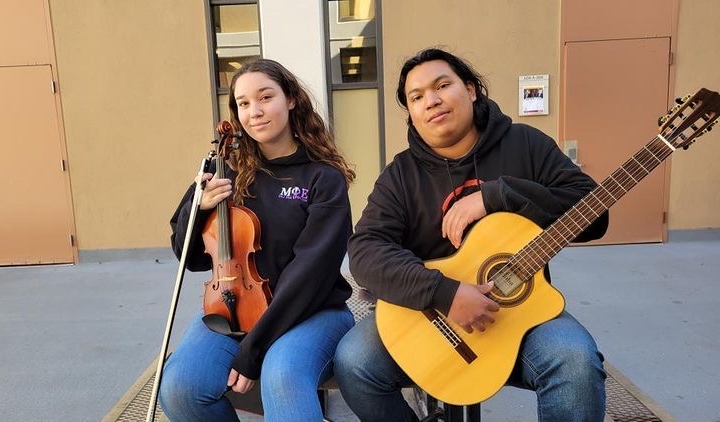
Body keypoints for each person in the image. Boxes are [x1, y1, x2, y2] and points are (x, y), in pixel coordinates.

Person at [334, 47, 609, 421]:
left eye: (442, 85)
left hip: (520, 316)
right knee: (354, 363)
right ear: (412, 113)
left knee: (575, 363)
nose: (431, 101)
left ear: (471, 89)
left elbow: (593, 215)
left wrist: (499, 195)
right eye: (416, 97)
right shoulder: (401, 175)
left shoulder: (526, 145)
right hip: (427, 316)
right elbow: (365, 251)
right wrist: (444, 293)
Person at [159, 58, 356, 421]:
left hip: (311, 312)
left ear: (291, 100)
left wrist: (254, 349)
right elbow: (187, 255)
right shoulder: (224, 170)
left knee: (281, 377)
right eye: (244, 104)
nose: (255, 112)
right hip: (234, 311)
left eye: (265, 97)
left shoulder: (321, 178)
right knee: (179, 388)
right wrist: (198, 207)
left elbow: (310, 274)